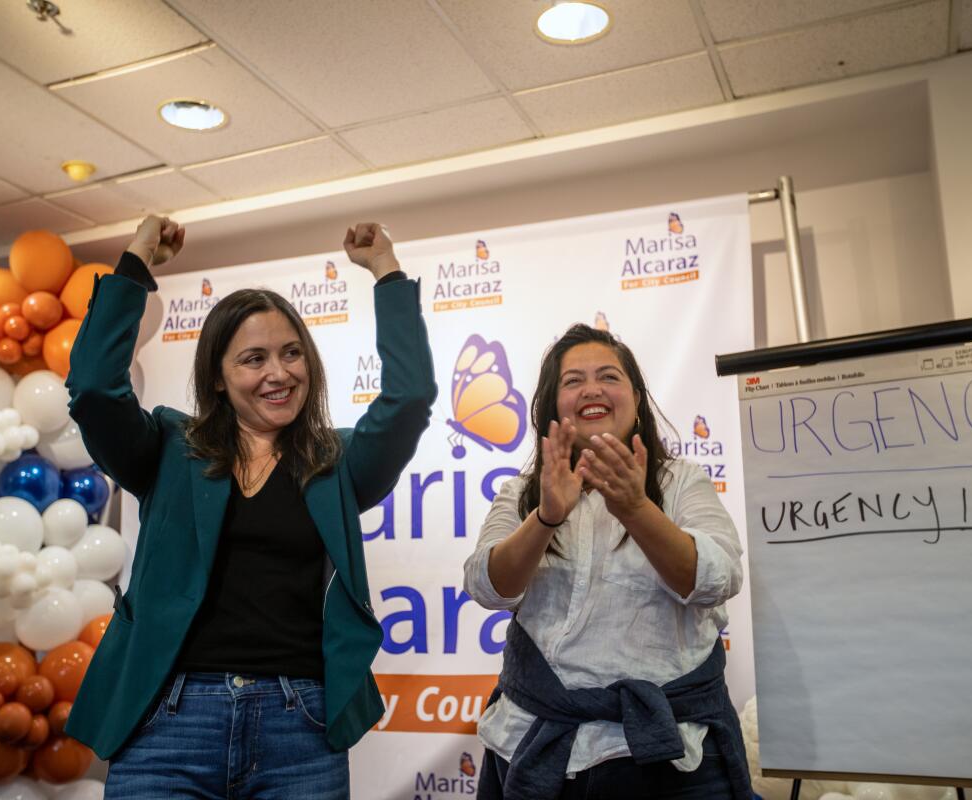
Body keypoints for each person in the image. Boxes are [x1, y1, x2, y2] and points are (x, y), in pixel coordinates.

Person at [63, 215, 437, 799]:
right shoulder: (166, 448)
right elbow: (92, 387)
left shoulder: (336, 463)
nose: (279, 373)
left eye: (292, 354)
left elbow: (409, 396)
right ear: (216, 377)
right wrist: (136, 261)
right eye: (253, 359)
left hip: (300, 729)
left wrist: (385, 270)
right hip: (169, 722)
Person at [463, 324, 751, 800]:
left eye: (608, 377)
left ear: (635, 399)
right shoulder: (521, 494)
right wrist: (548, 516)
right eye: (573, 380)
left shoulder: (682, 482)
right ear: (553, 406)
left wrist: (636, 509)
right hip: (535, 745)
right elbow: (488, 587)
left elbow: (717, 578)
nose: (592, 389)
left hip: (671, 755)